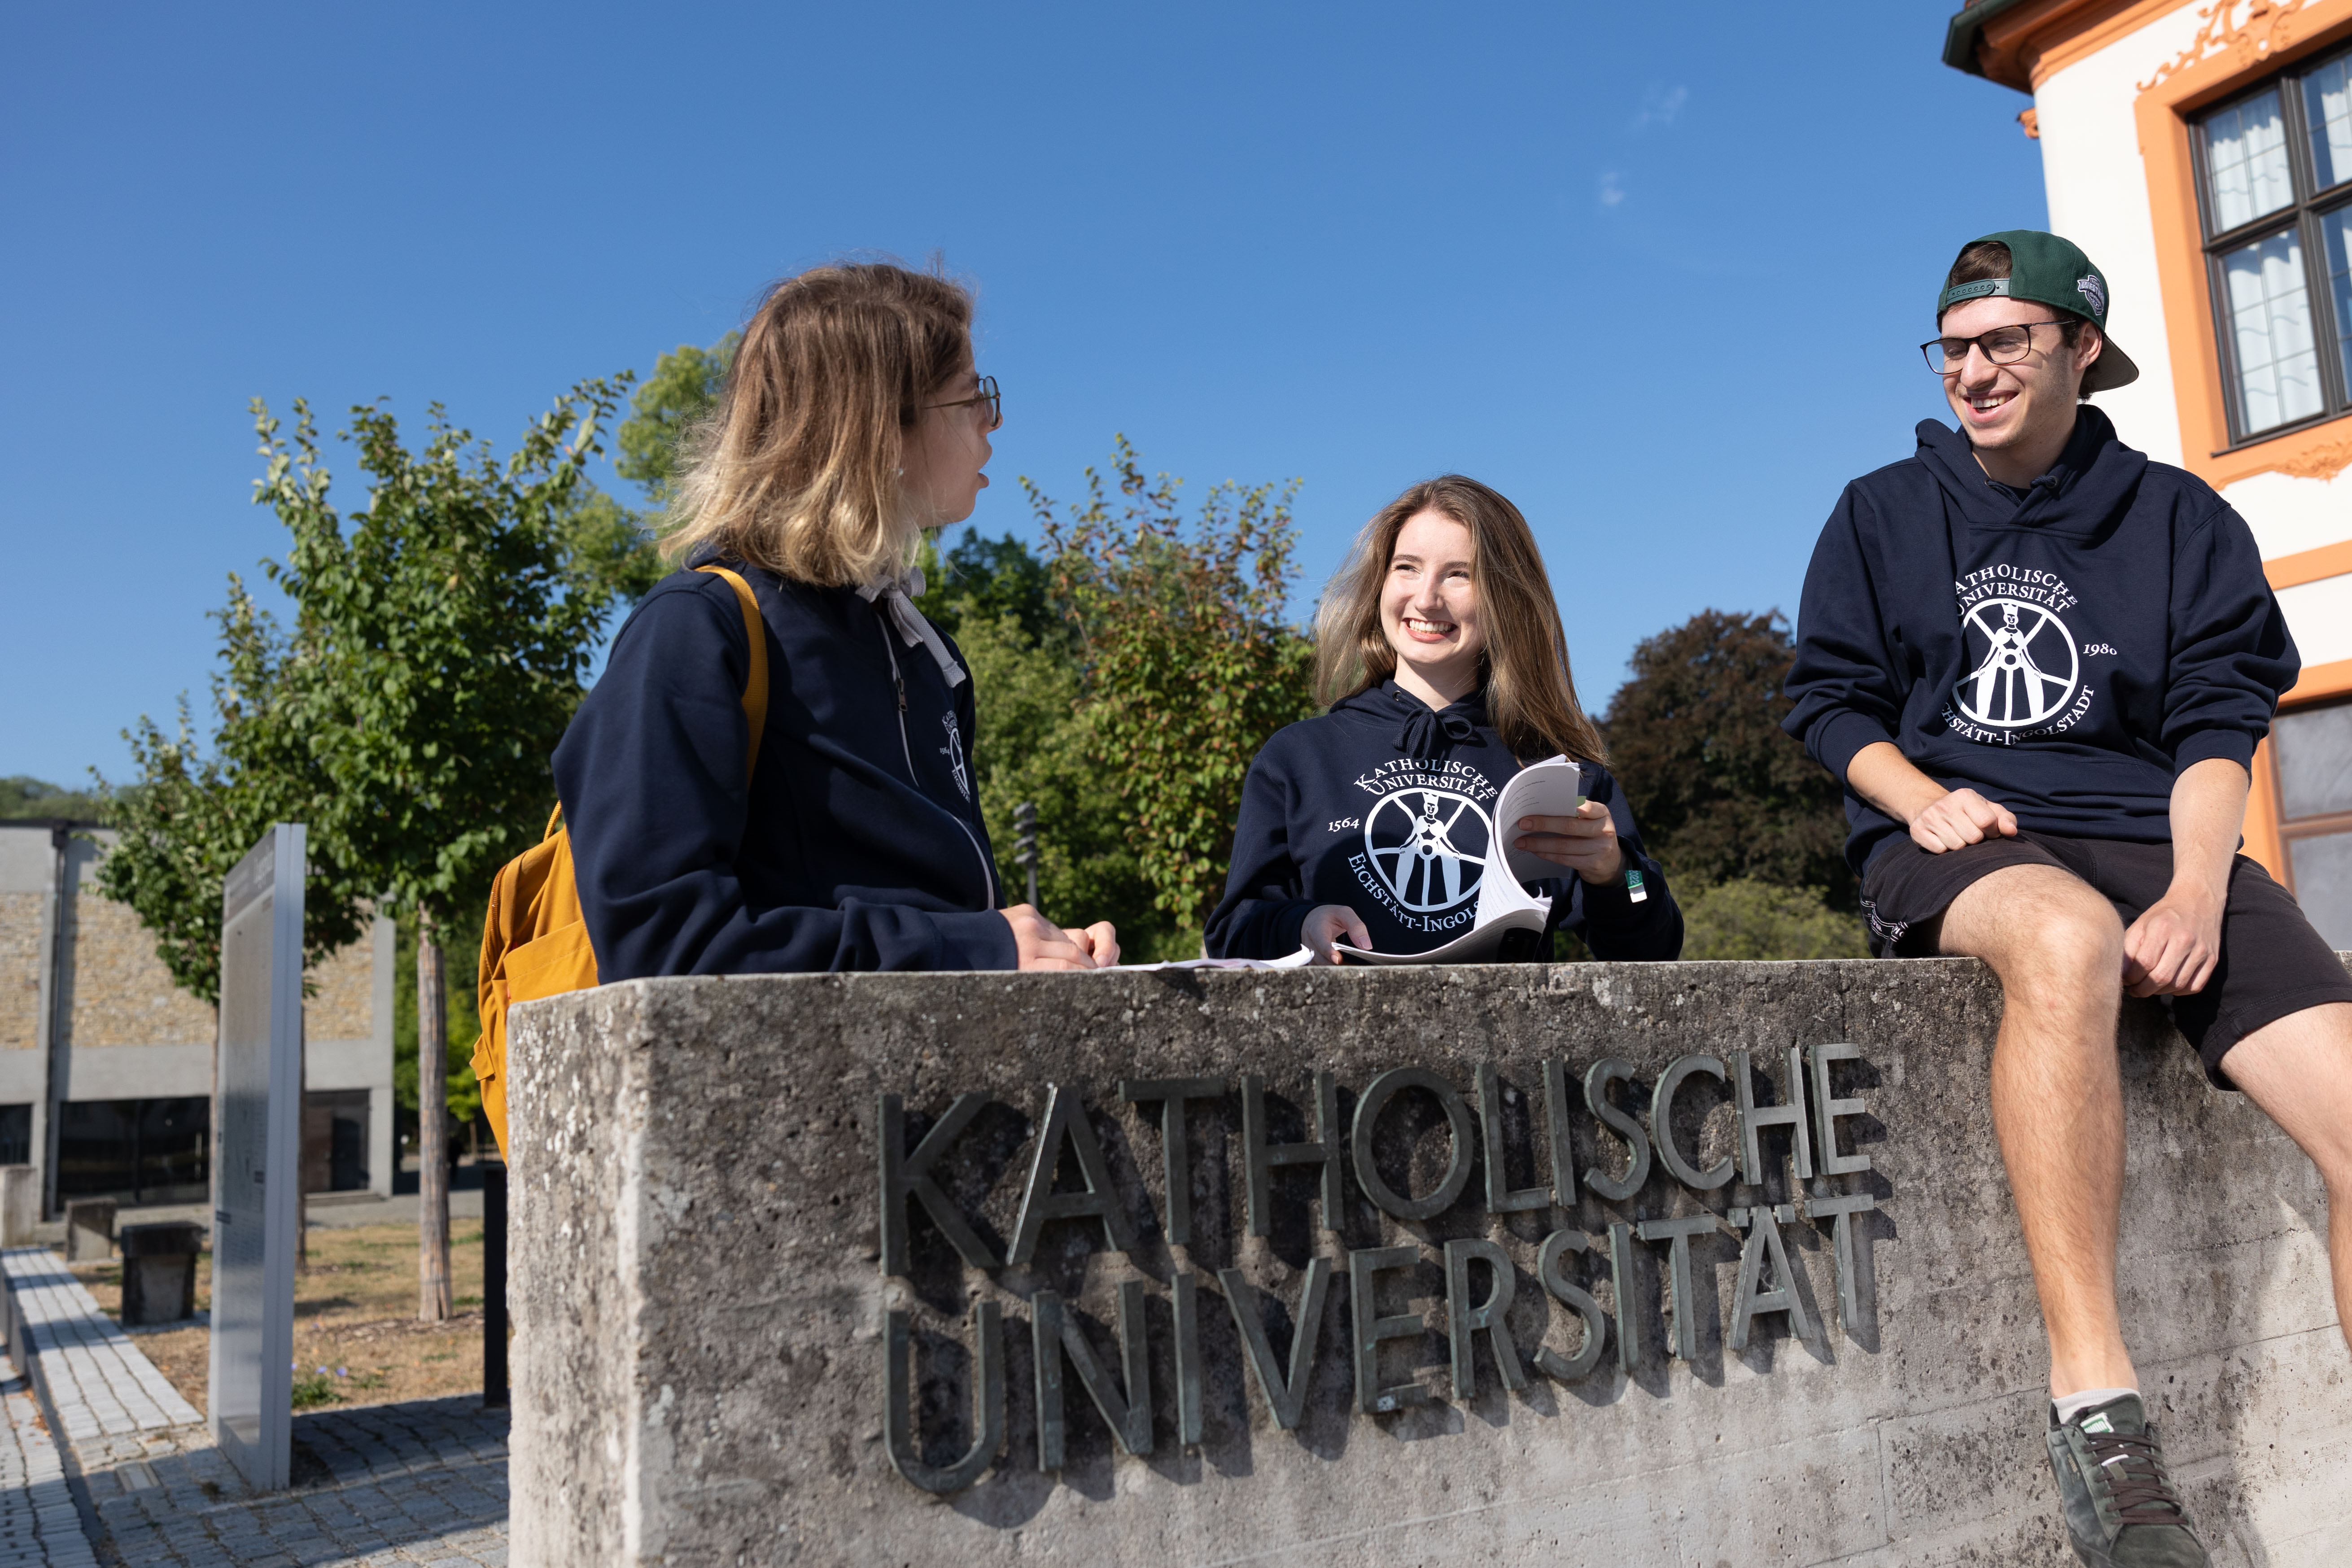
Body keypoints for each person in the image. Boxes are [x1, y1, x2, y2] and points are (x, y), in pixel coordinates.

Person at [1785, 230, 2352, 1568]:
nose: (1971, 371)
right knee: (2062, 934)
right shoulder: (1880, 512)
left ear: (2079, 348)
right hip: (1960, 836)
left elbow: (2215, 727)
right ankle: (2098, 1416)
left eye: (2004, 342)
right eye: (1951, 348)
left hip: (2154, 837)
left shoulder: (2179, 520)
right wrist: (1915, 793)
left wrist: (2200, 892)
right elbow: (1828, 702)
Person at [553, 262, 1118, 974]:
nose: (993, 419)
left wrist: (1038, 949)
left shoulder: (925, 654)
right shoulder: (697, 631)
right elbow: (661, 945)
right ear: (879, 429)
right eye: (972, 395)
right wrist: (973, 948)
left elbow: (929, 920)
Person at [1206, 475, 1682, 964]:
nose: (1427, 599)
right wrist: (1301, 925)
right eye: (1407, 568)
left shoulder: (1557, 774)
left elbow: (1657, 947)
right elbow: (1232, 931)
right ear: (1380, 582)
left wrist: (1619, 870)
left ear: (1506, 599)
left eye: (1459, 575)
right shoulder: (1298, 758)